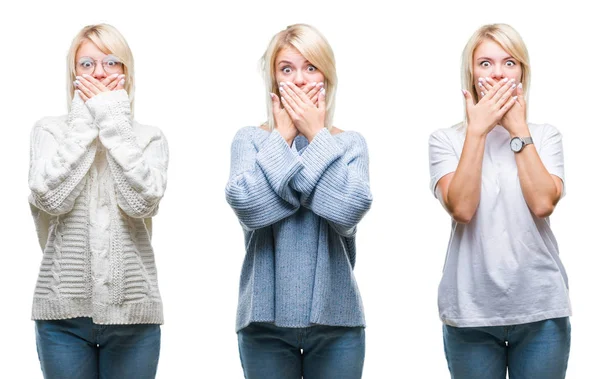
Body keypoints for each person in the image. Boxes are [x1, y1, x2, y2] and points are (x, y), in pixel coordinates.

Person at [225, 23, 372, 379]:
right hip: (264, 318)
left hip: (337, 318)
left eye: (311, 67)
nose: (300, 80)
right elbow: (249, 207)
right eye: (287, 69)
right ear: (274, 80)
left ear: (326, 77)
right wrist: (284, 138)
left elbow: (350, 209)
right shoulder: (250, 140)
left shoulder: (350, 143)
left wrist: (315, 136)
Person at [428, 23, 571, 379]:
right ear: (471, 73)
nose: (497, 73)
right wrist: (477, 130)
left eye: (509, 63)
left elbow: (542, 203)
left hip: (541, 309)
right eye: (486, 63)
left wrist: (518, 129)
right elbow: (461, 208)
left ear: (522, 73)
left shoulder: (545, 135)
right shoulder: (445, 139)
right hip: (471, 311)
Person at [29, 23, 168, 379]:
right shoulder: (49, 131)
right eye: (87, 65)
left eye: (111, 63)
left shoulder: (148, 138)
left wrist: (113, 123)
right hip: (62, 317)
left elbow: (143, 204)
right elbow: (49, 197)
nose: (99, 73)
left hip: (134, 317)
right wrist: (85, 124)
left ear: (126, 73)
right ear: (73, 74)